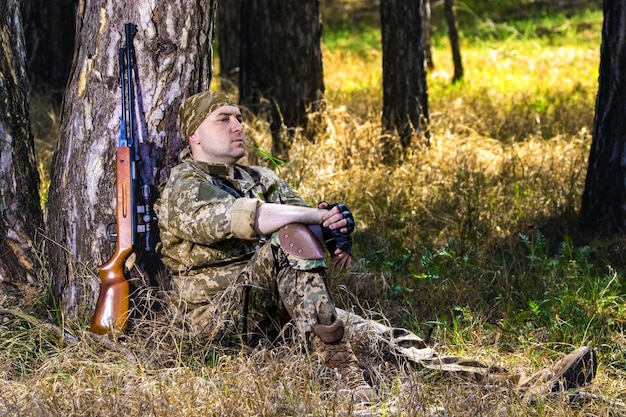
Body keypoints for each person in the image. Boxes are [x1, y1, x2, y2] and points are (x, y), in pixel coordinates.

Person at [154, 91, 597, 405]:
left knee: (388, 343)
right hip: (219, 326)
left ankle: (527, 387)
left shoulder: (260, 179)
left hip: (284, 317)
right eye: (224, 119)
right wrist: (309, 219)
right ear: (194, 136)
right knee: (286, 237)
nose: (238, 125)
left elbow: (306, 217)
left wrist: (333, 227)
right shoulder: (185, 185)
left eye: (239, 117)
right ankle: (342, 378)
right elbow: (259, 220)